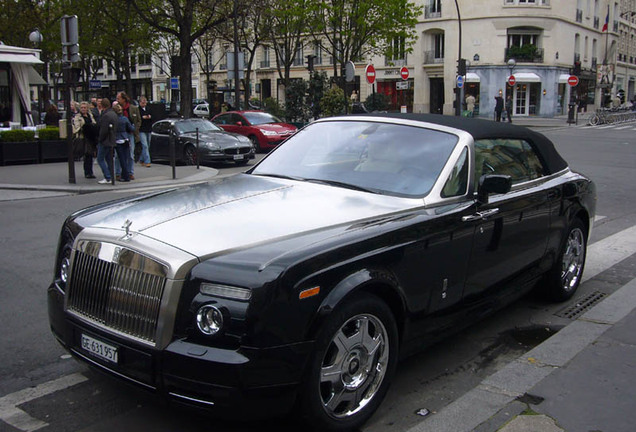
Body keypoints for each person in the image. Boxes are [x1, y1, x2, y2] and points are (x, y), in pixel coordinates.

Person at [115, 92, 141, 179]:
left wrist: (135, 130)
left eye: (119, 98)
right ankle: (118, 173)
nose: (117, 100)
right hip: (119, 135)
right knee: (117, 155)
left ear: (124, 99)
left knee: (130, 154)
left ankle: (130, 172)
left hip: (130, 134)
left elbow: (138, 120)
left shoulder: (133, 108)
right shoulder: (116, 108)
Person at [72, 101, 98, 179]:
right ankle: (87, 172)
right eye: (82, 108)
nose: (83, 109)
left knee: (90, 155)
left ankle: (90, 171)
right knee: (87, 154)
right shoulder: (78, 117)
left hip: (91, 137)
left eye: (85, 108)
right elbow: (77, 127)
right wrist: (83, 127)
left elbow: (94, 123)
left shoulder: (90, 115)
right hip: (83, 137)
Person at [96, 98, 117, 184]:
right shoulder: (113, 114)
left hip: (105, 140)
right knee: (109, 159)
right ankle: (111, 176)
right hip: (112, 139)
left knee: (100, 159)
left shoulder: (106, 115)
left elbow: (103, 130)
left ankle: (107, 177)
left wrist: (100, 139)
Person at [113, 104, 133, 182]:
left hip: (117, 140)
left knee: (121, 159)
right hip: (125, 139)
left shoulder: (114, 120)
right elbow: (131, 128)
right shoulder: (125, 119)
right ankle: (126, 174)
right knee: (126, 158)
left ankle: (125, 176)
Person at [138, 96, 152, 167]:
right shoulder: (138, 110)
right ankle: (148, 161)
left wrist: (149, 117)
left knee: (147, 145)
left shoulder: (149, 109)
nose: (144, 103)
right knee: (145, 145)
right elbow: (138, 118)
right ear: (140, 102)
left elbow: (153, 116)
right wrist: (142, 117)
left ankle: (141, 159)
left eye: (145, 102)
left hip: (148, 129)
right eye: (142, 102)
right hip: (141, 129)